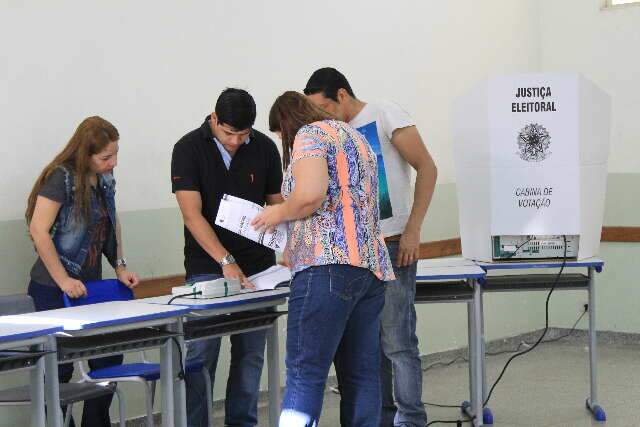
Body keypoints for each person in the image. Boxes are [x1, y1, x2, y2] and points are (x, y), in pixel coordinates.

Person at [304, 67, 438, 427]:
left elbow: (427, 167)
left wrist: (413, 229)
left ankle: (411, 420)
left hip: (394, 244)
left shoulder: (383, 113)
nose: (322, 117)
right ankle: (382, 419)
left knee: (397, 341)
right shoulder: (331, 133)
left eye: (325, 108)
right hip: (356, 253)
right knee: (369, 346)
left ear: (342, 95)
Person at [253, 91, 395, 427]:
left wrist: (277, 213)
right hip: (370, 269)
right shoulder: (356, 138)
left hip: (326, 269)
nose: (282, 142)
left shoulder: (309, 135)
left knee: (305, 373)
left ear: (286, 124)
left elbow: (310, 195)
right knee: (361, 375)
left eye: (279, 135)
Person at [171, 88, 284, 427]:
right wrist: (225, 261)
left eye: (243, 134)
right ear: (214, 119)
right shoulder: (188, 148)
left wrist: (290, 243)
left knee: (250, 356)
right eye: (228, 133)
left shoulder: (264, 147)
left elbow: (276, 202)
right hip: (209, 267)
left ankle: (242, 423)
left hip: (260, 268)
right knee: (201, 356)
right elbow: (192, 215)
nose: (235, 141)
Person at [25, 116, 140, 427]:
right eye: (105, 157)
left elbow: (110, 224)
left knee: (108, 358)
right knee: (57, 371)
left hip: (90, 288)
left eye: (116, 155)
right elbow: (39, 230)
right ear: (84, 154)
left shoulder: (104, 181)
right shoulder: (60, 178)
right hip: (51, 288)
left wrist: (119, 265)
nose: (113, 163)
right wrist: (63, 279)